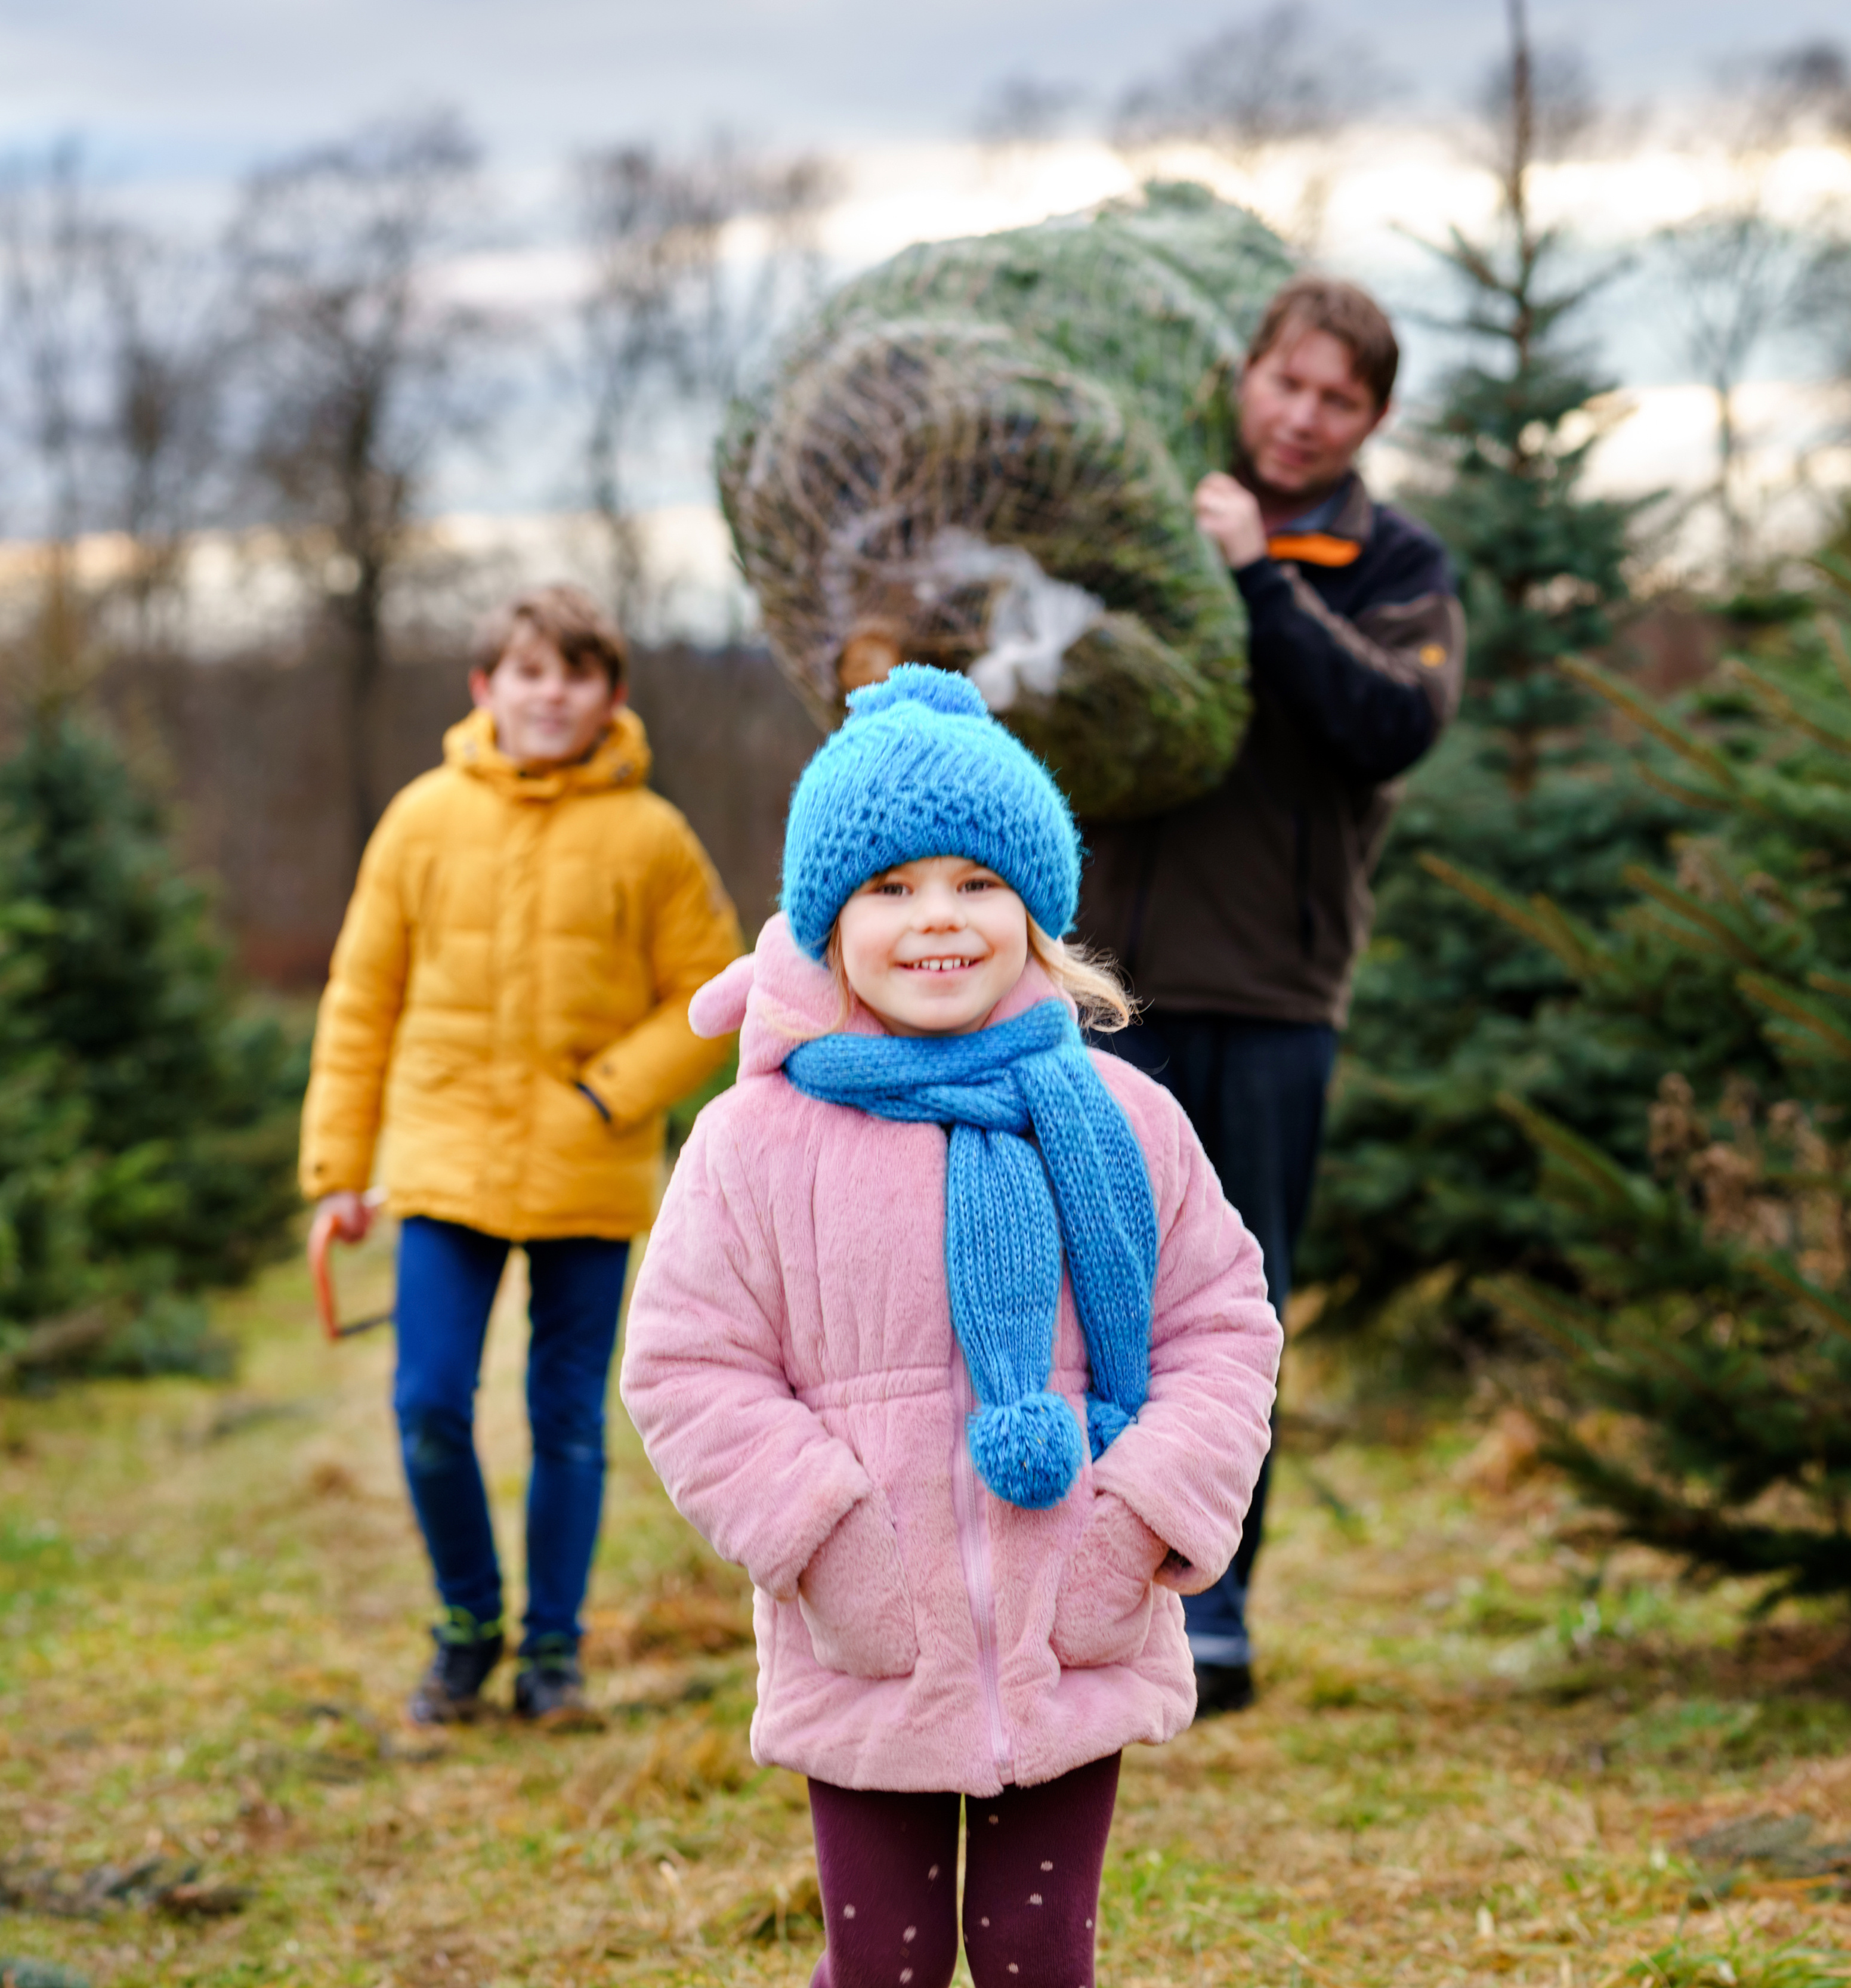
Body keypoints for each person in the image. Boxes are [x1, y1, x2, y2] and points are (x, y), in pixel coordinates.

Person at [623, 667, 1281, 1988]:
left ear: (1035, 907)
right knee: (887, 1967)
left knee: (1040, 1955)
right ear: (824, 919)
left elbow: (1223, 1322)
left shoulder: (1124, 1118)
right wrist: (826, 1542)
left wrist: (1138, 1517)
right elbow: (689, 1361)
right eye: (891, 887)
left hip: (1068, 1616)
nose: (939, 920)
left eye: (978, 882)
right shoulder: (756, 1140)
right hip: (868, 1634)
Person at [1077, 275, 1466, 1719]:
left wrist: (1257, 578)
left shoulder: (1388, 559)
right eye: (1284, 385)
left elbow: (1388, 723)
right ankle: (1080, 1596)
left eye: (1338, 401)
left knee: (1232, 1310)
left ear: (1370, 420)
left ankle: (1215, 1609)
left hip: (1276, 995)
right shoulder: (1144, 513)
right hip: (1103, 990)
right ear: (1243, 378)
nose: (1301, 419)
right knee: (1085, 1300)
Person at [301, 583, 743, 1726]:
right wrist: (338, 1171)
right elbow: (362, 998)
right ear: (485, 687)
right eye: (530, 672)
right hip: (443, 1165)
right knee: (430, 1404)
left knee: (567, 1419)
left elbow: (711, 993)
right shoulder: (420, 819)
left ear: (612, 694)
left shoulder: (653, 836)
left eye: (577, 674)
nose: (553, 694)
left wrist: (607, 1096)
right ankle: (465, 1626)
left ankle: (554, 1651)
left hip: (588, 1170)